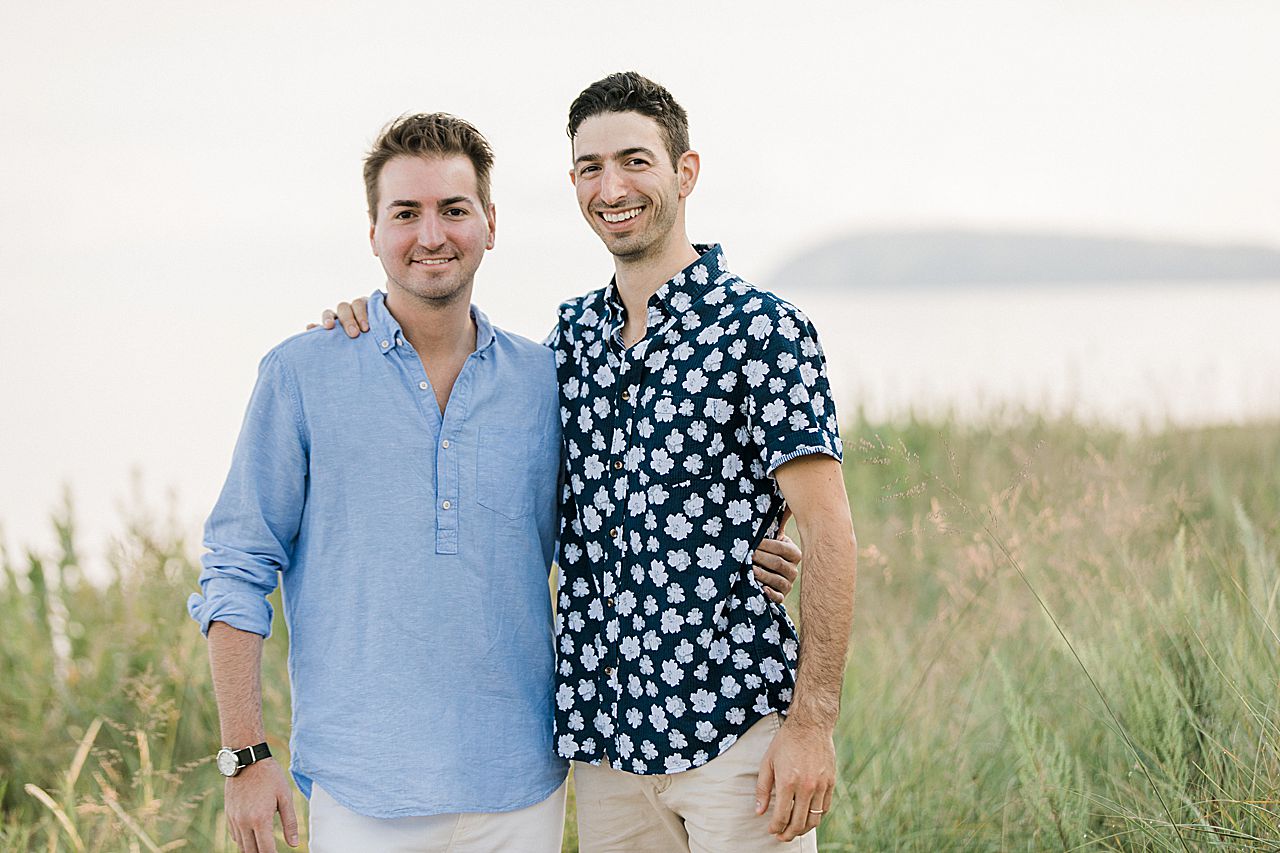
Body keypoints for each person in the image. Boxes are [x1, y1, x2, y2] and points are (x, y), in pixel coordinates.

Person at [193, 112, 801, 853]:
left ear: (489, 221)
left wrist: (760, 539)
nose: (431, 235)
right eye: (405, 213)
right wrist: (245, 756)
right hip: (364, 790)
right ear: (373, 230)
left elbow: (629, 499)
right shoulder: (302, 373)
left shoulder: (546, 376)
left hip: (520, 786)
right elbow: (236, 565)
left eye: (454, 210)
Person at [328, 73, 858, 852]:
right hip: (607, 751)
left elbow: (833, 533)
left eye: (635, 161)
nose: (612, 186)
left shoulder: (764, 330)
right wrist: (368, 321)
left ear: (685, 172)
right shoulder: (570, 339)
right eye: (590, 167)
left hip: (738, 736)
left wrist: (811, 725)